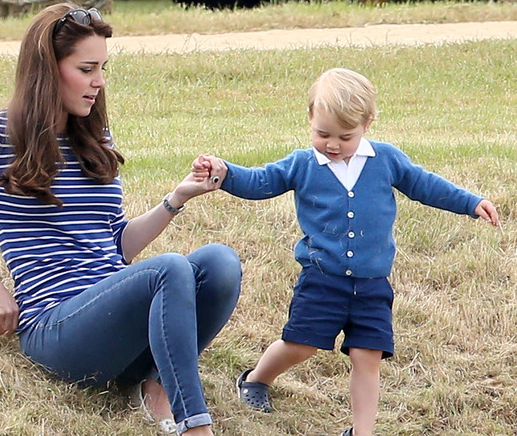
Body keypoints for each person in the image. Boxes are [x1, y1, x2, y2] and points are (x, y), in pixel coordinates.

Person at [0, 3, 241, 435]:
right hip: (55, 328)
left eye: (103, 68)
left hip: (111, 319)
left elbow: (116, 245)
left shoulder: (93, 135)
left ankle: (154, 384)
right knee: (170, 268)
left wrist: (175, 199)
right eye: (87, 68)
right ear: (47, 70)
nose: (99, 82)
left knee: (220, 261)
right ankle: (196, 426)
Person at [195, 68, 499, 436]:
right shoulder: (301, 164)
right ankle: (257, 379)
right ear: (310, 119)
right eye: (322, 134)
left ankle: (361, 431)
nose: (333, 144)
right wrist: (224, 173)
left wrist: (470, 202)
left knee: (366, 356)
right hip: (322, 278)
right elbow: (261, 182)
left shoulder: (386, 160)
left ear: (368, 124)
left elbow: (425, 185)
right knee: (300, 345)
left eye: (345, 136)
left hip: (372, 284)